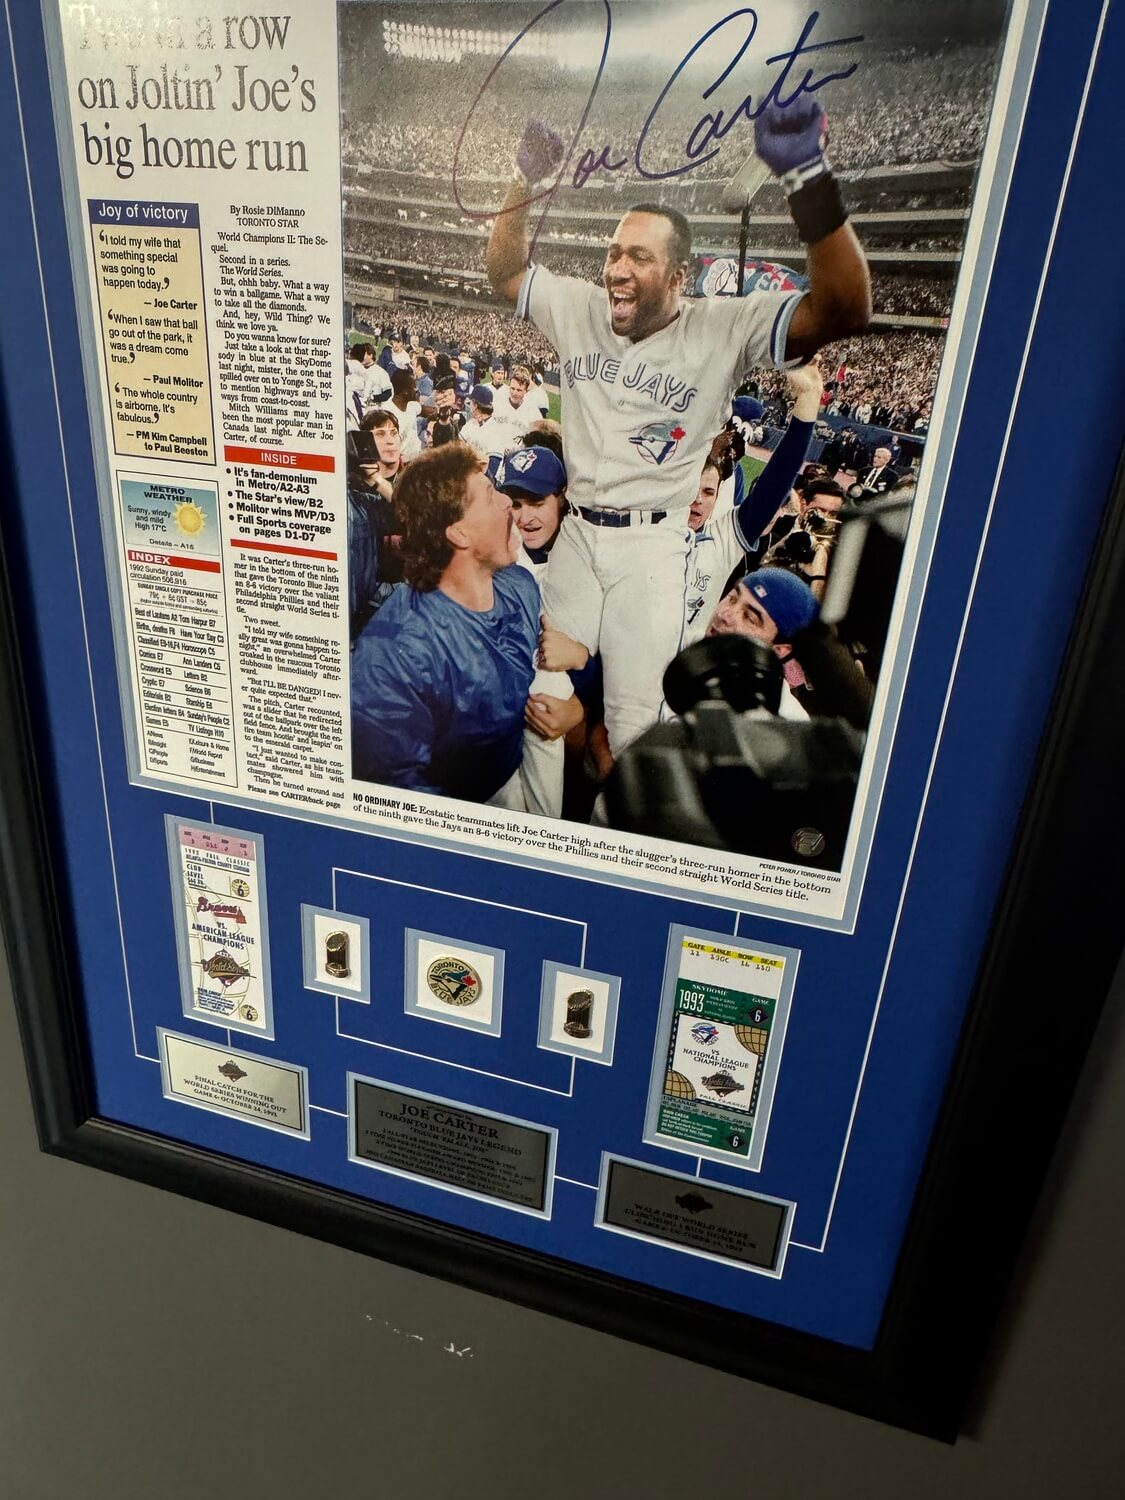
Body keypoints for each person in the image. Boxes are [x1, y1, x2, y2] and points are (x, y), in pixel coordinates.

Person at [486, 101, 870, 754]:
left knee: (635, 734)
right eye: (613, 254)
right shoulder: (579, 306)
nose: (616, 270)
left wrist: (806, 175)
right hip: (579, 532)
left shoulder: (718, 327)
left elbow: (843, 306)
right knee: (532, 701)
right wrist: (522, 183)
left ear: (677, 275)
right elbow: (505, 271)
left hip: (653, 548)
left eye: (638, 257)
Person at [351, 444, 539, 803]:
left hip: (516, 775)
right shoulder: (393, 655)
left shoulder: (520, 586)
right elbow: (395, 796)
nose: (506, 503)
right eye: (489, 495)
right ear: (458, 534)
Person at [460, 383, 507, 458]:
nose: (469, 405)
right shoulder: (470, 425)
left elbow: (494, 465)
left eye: (471, 402)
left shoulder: (495, 431)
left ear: (475, 405)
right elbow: (457, 449)